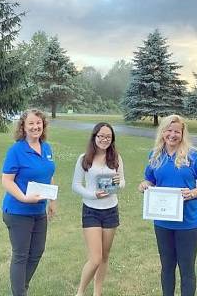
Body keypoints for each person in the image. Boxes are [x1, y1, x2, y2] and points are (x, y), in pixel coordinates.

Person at [139, 115, 197, 296]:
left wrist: (193, 193)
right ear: (162, 132)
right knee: (167, 267)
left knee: (187, 269)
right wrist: (145, 185)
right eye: (168, 130)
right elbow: (150, 179)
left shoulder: (193, 155)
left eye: (176, 131)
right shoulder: (155, 155)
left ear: (182, 133)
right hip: (163, 222)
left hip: (188, 223)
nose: (172, 135)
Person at [1, 109, 56, 296]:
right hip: (18, 211)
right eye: (31, 123)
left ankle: (20, 287)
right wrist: (24, 197)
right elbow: (7, 180)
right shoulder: (16, 150)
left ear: (43, 125)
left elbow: (49, 174)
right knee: (21, 255)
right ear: (23, 127)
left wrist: (52, 201)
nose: (35, 127)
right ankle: (20, 292)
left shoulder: (46, 147)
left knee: (37, 252)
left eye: (38, 123)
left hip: (39, 211)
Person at [72, 122, 125, 296]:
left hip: (110, 210)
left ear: (112, 139)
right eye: (101, 136)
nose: (104, 139)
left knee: (104, 256)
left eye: (108, 137)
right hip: (91, 211)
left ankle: (98, 292)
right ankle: (80, 292)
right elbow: (76, 185)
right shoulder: (84, 158)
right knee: (95, 258)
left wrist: (118, 183)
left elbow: (122, 182)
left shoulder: (116, 157)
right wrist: (93, 194)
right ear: (94, 137)